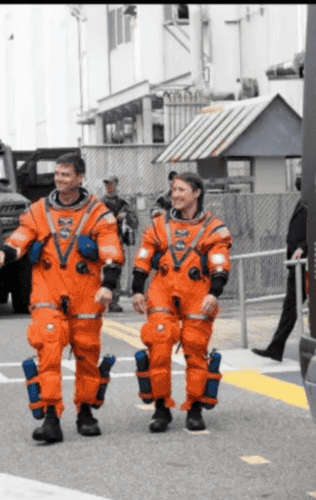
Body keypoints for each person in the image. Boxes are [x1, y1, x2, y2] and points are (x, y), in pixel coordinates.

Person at [0, 152, 124, 443]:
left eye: (66, 174)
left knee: (87, 353)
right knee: (48, 350)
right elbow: (22, 236)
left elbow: (112, 250)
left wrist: (108, 285)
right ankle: (51, 417)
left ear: (79, 178)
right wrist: (6, 253)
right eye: (57, 174)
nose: (59, 179)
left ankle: (85, 411)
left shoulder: (98, 213)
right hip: (47, 291)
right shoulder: (39, 210)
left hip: (85, 294)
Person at [131, 172, 233, 432]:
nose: (175, 195)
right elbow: (144, 256)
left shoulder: (214, 228)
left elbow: (219, 261)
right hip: (162, 289)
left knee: (195, 346)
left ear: (196, 193)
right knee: (159, 344)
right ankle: (161, 408)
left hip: (197, 291)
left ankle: (194, 407)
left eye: (181, 190)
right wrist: (137, 289)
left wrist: (214, 292)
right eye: (173, 189)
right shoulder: (158, 225)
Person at [252, 176, 307, 362]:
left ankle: (276, 348)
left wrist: (303, 247)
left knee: (292, 305)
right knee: (290, 306)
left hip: (304, 264)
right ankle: (276, 348)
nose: (297, 181)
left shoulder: (313, 204)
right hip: (297, 264)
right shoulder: (304, 201)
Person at [100, 175, 139, 313]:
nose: (109, 186)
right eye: (107, 184)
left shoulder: (123, 204)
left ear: (116, 184)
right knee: (100, 271)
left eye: (111, 184)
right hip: (101, 240)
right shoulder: (99, 203)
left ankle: (113, 301)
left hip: (117, 241)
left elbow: (135, 223)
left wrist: (126, 217)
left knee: (115, 270)